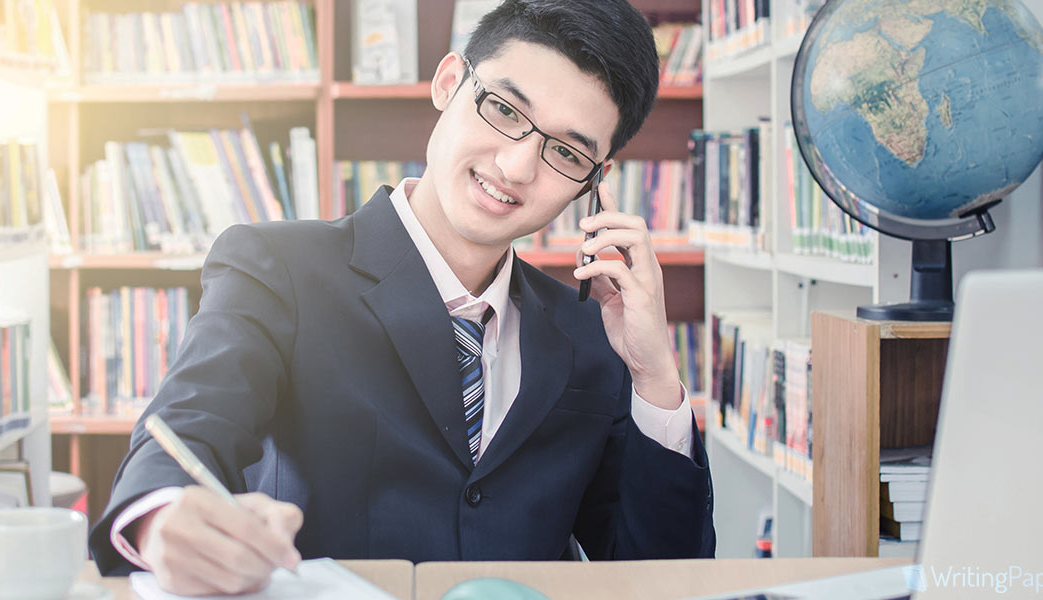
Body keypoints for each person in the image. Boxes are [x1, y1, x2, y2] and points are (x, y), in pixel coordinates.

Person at [89, 0, 715, 594]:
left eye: (568, 152)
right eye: (504, 109)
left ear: (595, 183)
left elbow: (661, 575)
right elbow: (190, 424)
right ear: (449, 83)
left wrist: (654, 375)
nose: (519, 166)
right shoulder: (278, 268)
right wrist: (164, 515)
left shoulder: (592, 332)